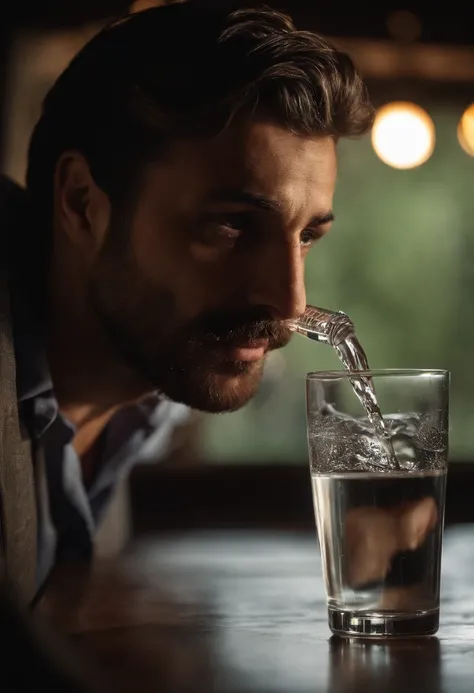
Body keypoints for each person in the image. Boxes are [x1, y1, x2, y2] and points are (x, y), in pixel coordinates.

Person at [0, 1, 373, 601]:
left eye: (307, 236)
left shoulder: (152, 396)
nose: (288, 300)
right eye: (231, 227)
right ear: (80, 204)